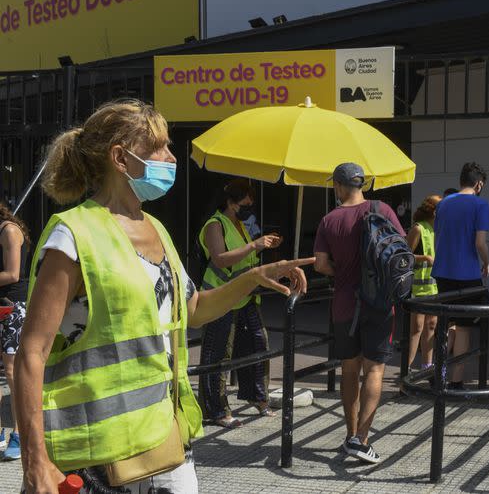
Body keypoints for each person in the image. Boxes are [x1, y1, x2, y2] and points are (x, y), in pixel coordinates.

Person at [13, 99, 312, 494]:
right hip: (95, 458)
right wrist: (35, 463)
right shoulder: (72, 235)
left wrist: (254, 276)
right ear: (121, 157)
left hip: (164, 442)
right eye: (159, 147)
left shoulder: (156, 228)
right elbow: (30, 353)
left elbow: (194, 309)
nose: (171, 157)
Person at [314, 162, 405, 464]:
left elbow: (320, 264)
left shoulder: (329, 219)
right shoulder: (382, 210)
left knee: (349, 369)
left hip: (344, 303)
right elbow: (400, 249)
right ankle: (361, 440)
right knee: (375, 370)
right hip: (379, 302)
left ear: (339, 186)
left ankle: (349, 434)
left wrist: (342, 272)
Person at [198, 179, 282, 427]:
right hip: (220, 296)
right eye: (246, 201)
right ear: (230, 202)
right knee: (218, 354)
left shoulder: (240, 224)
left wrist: (263, 246)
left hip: (245, 294)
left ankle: (258, 397)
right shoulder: (215, 224)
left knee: (257, 344)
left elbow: (246, 256)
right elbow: (221, 259)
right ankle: (215, 410)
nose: (250, 205)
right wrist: (254, 245)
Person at [431, 162, 489, 389]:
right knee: (465, 327)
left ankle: (439, 374)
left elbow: (440, 235)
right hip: (467, 273)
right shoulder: (481, 205)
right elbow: (480, 242)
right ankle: (456, 381)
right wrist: (487, 262)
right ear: (478, 184)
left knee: (446, 323)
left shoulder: (444, 204)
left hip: (442, 271)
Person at [0, 203, 31, 461]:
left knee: (12, 371)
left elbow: (12, 273)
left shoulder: (9, 231)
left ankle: (19, 435)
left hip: (11, 308)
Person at [405, 195, 442, 370]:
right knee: (416, 328)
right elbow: (404, 256)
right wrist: (425, 257)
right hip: (418, 288)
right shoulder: (418, 229)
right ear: (434, 212)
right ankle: (407, 370)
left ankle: (427, 367)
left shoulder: (438, 229)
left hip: (434, 287)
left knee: (431, 326)